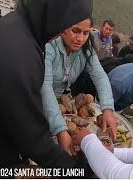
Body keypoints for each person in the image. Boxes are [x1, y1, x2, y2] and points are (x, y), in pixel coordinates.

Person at [0, 0, 95, 177]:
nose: (61, 32)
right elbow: (32, 138)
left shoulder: (18, 23)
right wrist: (80, 171)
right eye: (64, 24)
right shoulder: (18, 56)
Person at [41, 17, 117, 154]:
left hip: (61, 102)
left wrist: (107, 109)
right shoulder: (49, 49)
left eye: (85, 33)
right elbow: (45, 87)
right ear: (63, 29)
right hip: (41, 101)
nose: (80, 39)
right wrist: (60, 130)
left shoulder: (86, 51)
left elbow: (100, 76)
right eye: (75, 31)